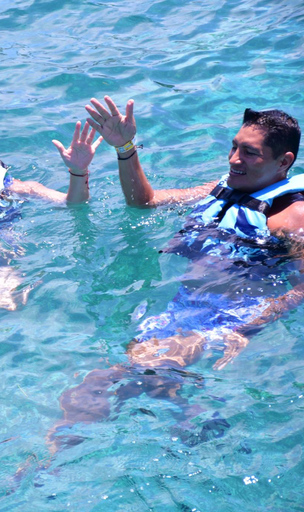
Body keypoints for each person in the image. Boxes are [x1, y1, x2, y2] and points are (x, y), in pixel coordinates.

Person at [46, 97, 304, 455]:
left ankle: (48, 463)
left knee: (107, 380)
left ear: (284, 161)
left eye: (249, 153)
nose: (233, 159)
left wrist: (246, 328)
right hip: (182, 309)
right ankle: (206, 437)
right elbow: (143, 202)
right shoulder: (222, 189)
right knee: (130, 380)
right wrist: (124, 148)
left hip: (227, 317)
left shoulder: (291, 216)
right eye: (233, 147)